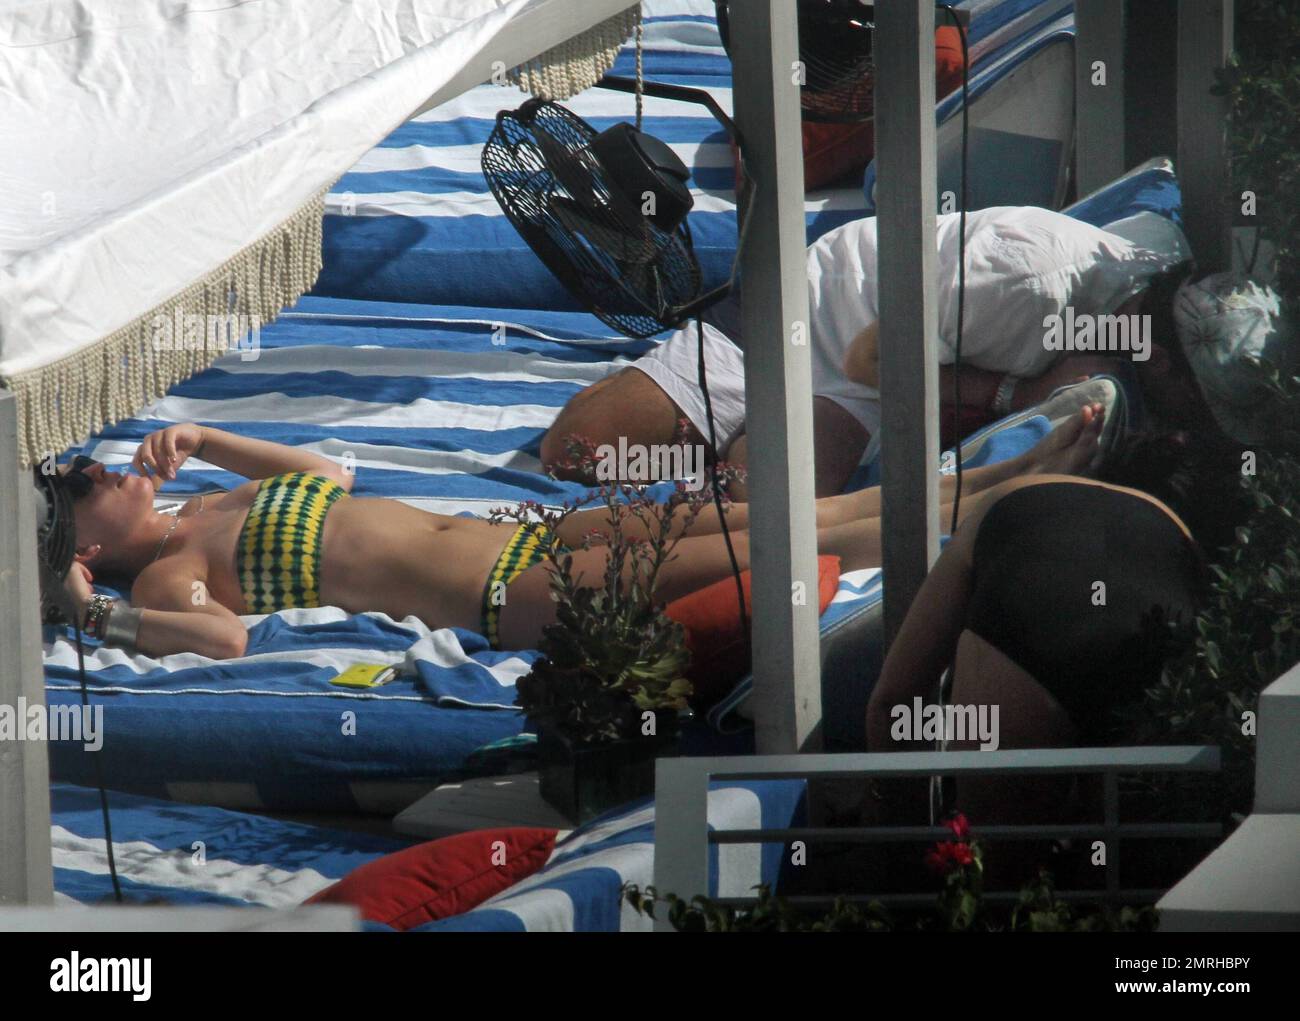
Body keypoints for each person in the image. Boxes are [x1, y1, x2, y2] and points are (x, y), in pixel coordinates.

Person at [58, 406, 1105, 660]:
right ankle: (1005, 510)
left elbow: (330, 474)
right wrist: (93, 612)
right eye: (87, 484)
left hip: (524, 534)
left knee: (777, 511)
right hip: (505, 598)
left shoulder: (203, 506)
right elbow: (226, 643)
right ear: (87, 545)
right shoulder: (169, 582)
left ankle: (1003, 471)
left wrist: (209, 436)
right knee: (766, 551)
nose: (107, 467)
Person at [541, 206, 1193, 496]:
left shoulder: (1153, 276)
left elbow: (1158, 225)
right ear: (1160, 358)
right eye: (1192, 402)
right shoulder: (1030, 287)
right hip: (826, 315)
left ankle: (742, 435)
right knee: (576, 455)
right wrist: (1013, 397)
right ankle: (680, 397)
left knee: (759, 512)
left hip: (886, 374)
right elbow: (867, 362)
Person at [864, 427, 1248, 828]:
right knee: (1109, 872)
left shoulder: (1015, 494)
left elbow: (894, 700)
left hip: (1021, 652)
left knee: (990, 875)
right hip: (1138, 671)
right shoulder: (1195, 559)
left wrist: (887, 814)